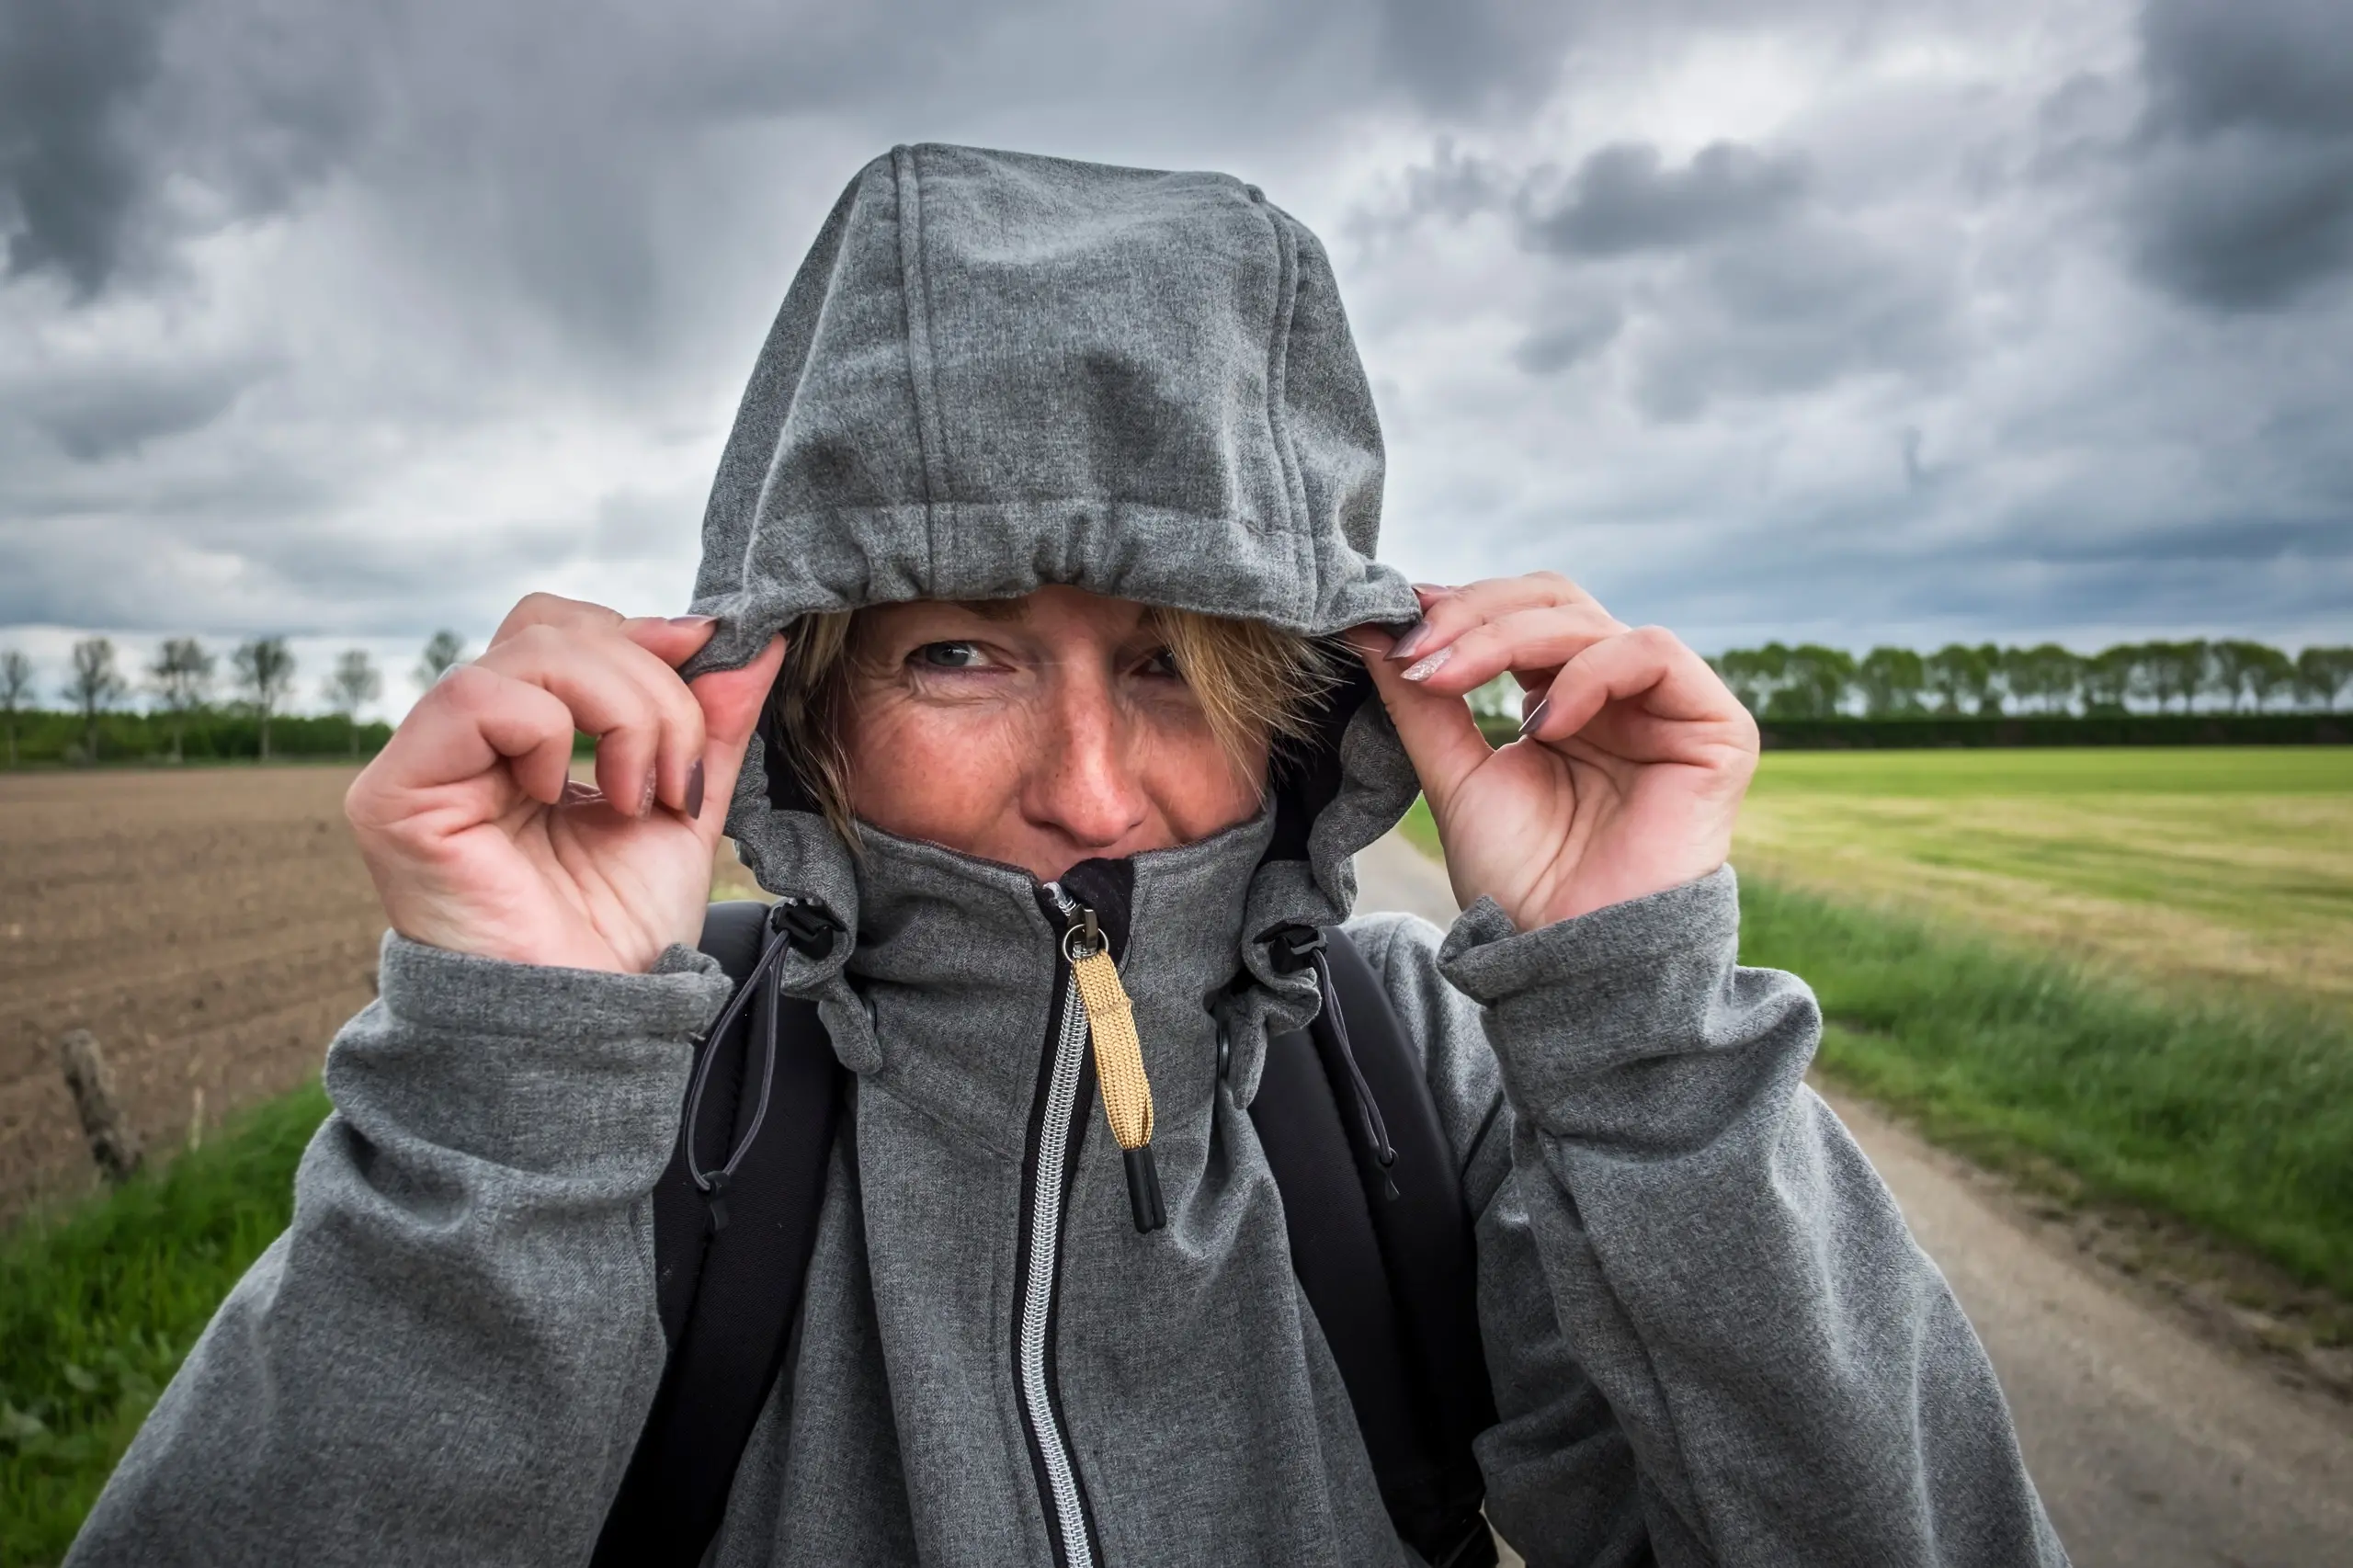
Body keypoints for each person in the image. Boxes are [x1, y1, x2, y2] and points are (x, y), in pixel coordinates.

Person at [68, 144, 2063, 1567]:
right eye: (960, 653)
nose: (1094, 792)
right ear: (816, 688)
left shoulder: (1409, 1091)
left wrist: (1634, 1014)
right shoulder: (634, 1128)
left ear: (1301, 709)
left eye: (1179, 671)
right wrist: (508, 1076)